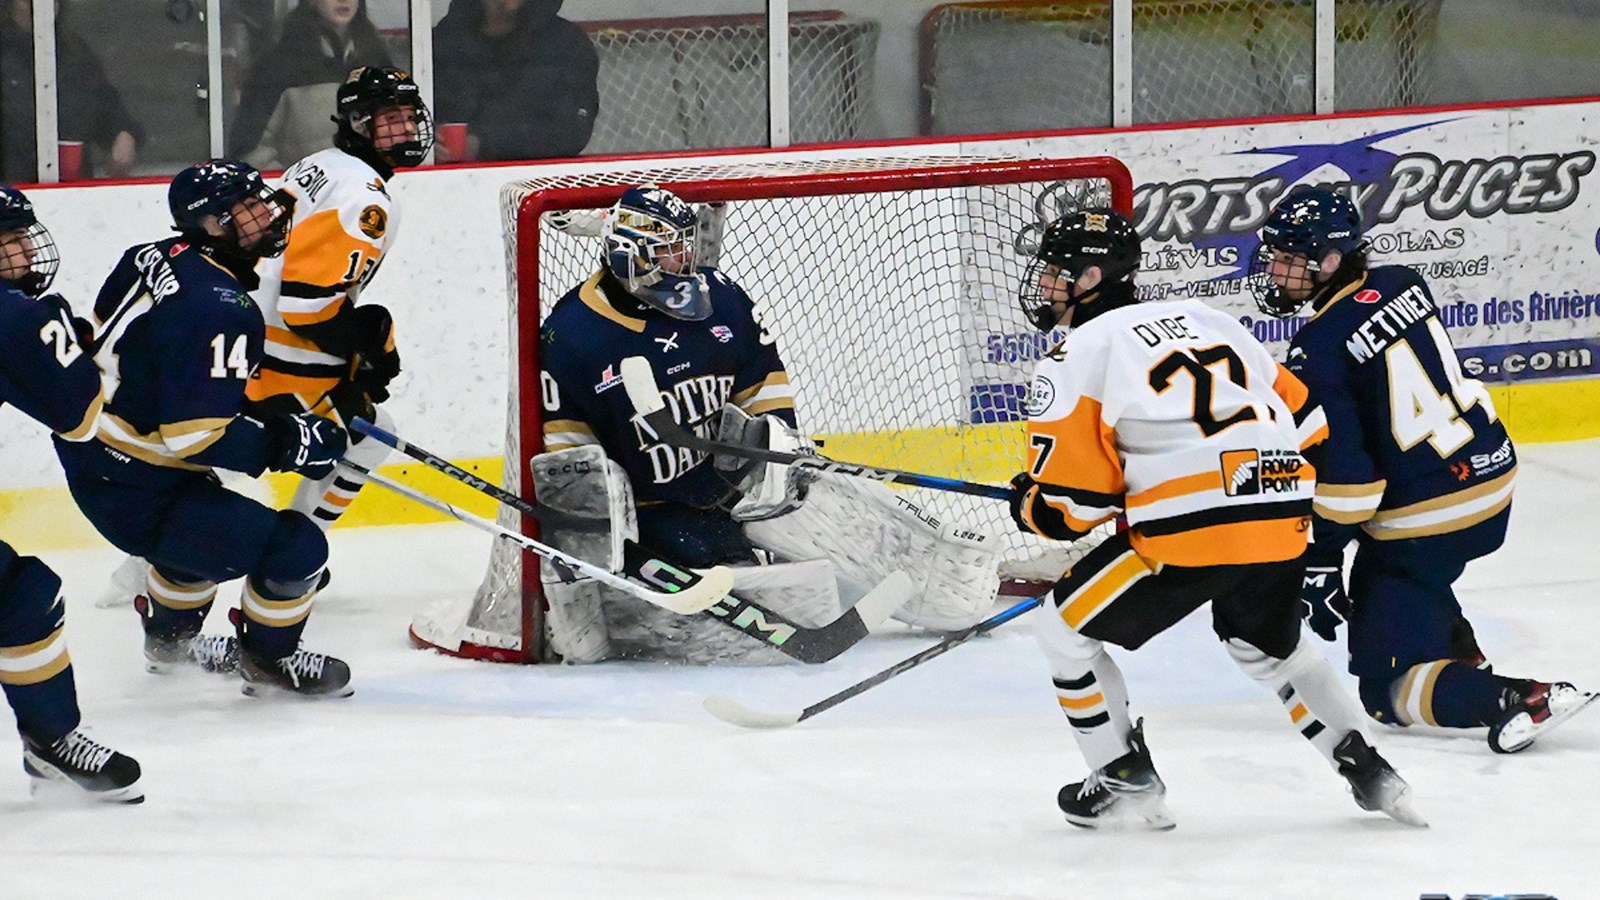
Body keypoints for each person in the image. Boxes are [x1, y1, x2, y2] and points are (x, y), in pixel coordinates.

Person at [1010, 208, 1422, 829]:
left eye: (1053, 272)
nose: (1043, 284)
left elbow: (1074, 511)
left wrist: (1029, 503)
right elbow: (1309, 422)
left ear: (1090, 276)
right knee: (1271, 649)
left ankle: (1122, 780)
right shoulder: (1209, 320)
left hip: (1187, 533)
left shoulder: (1076, 355)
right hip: (1282, 513)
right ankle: (1370, 770)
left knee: (1061, 633)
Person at [532, 184, 1000, 663]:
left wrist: (776, 447)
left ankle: (948, 588)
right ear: (631, 256)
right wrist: (598, 535)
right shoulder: (572, 335)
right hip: (659, 509)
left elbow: (763, 382)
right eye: (668, 252)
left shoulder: (722, 297)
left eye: (685, 247)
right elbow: (571, 457)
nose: (684, 263)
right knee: (773, 593)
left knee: (840, 511)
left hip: (741, 480)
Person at [1251, 188, 1595, 753]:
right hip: (1492, 472)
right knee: (1412, 585)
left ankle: (1520, 698)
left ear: (1332, 261)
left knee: (1386, 689)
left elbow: (1352, 489)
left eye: (1292, 258)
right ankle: (1463, 658)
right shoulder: (1403, 282)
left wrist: (1319, 557)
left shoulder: (1317, 349)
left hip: (1429, 516)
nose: (1278, 270)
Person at [54, 160, 353, 698]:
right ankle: (269, 659)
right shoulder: (223, 309)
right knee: (297, 547)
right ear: (214, 225)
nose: (266, 213)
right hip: (139, 479)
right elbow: (194, 437)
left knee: (196, 542)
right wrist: (290, 443)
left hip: (96, 453)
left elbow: (124, 347)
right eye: (249, 207)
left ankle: (169, 646)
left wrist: (250, 407)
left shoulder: (150, 254)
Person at [0, 185, 141, 801]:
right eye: (8, 240)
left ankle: (52, 744)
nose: (24, 250)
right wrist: (61, 345)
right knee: (22, 597)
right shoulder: (15, 315)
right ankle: (53, 742)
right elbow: (80, 418)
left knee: (20, 597)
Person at [227, 0, 393, 171]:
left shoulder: (378, 63)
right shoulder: (278, 67)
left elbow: (400, 134)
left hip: (368, 193)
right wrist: (296, 188)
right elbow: (249, 149)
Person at [431, 0, 598, 162]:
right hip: (450, 183)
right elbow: (417, 116)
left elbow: (572, 129)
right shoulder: (442, 43)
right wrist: (429, 140)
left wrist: (483, 144)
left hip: (541, 181)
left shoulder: (568, 44)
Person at [0, 0, 144, 180]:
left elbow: (107, 110)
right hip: (11, 193)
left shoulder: (75, 54)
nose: (35, 7)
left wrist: (124, 134)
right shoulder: (5, 53)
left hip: (71, 194)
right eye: (27, 1)